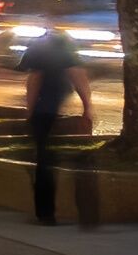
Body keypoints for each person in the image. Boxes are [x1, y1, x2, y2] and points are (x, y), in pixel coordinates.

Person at [22, 17, 96, 227]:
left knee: (43, 160)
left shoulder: (39, 47)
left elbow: (34, 79)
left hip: (44, 112)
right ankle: (80, 210)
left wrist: (30, 110)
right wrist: (87, 107)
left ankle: (45, 213)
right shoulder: (66, 47)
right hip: (58, 110)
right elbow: (78, 75)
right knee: (63, 158)